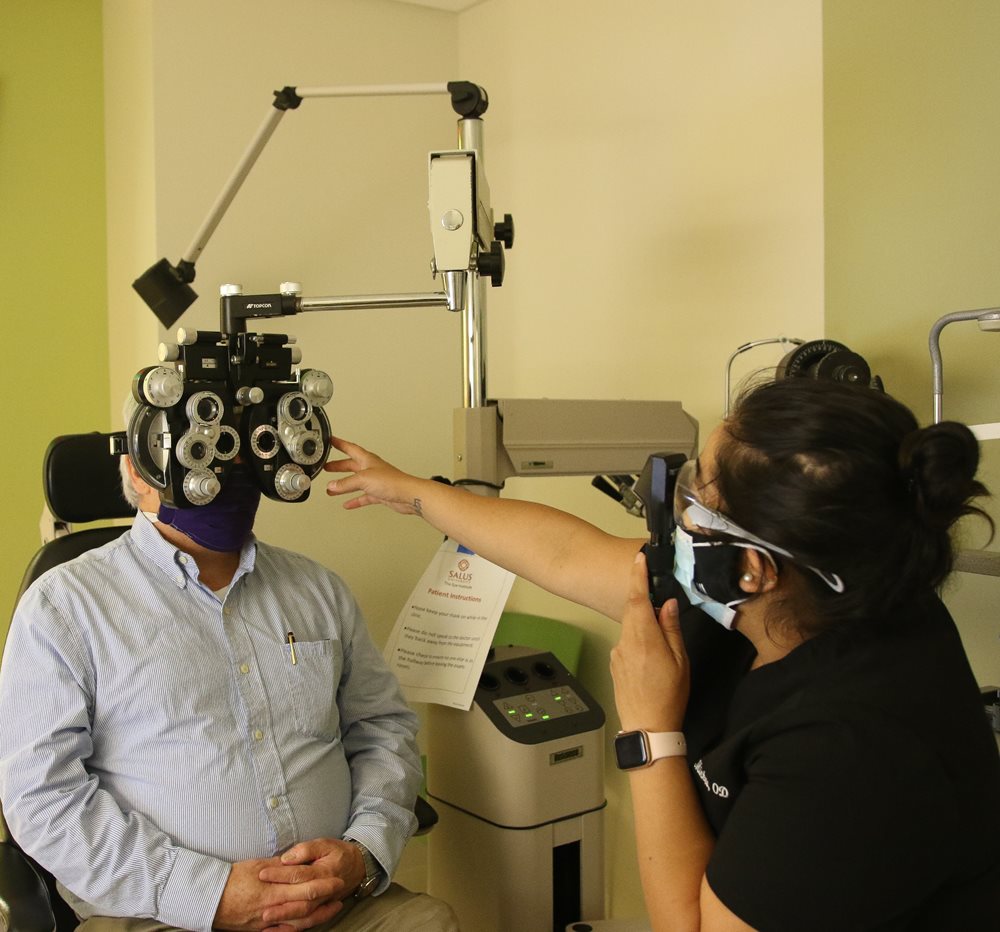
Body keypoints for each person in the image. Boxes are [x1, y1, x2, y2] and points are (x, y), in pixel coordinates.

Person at [324, 377, 1000, 931]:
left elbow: (695, 928)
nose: (679, 505)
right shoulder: (804, 587)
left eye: (698, 490)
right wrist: (413, 492)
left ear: (755, 568)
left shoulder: (855, 749)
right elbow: (567, 554)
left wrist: (648, 732)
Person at [0, 406, 459, 932]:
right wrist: (207, 894)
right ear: (135, 469)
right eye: (201, 452)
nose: (224, 472)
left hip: (338, 904)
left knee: (429, 920)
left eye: (241, 451)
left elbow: (382, 729)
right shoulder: (65, 606)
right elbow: (42, 797)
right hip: (160, 914)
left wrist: (364, 852)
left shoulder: (318, 591)